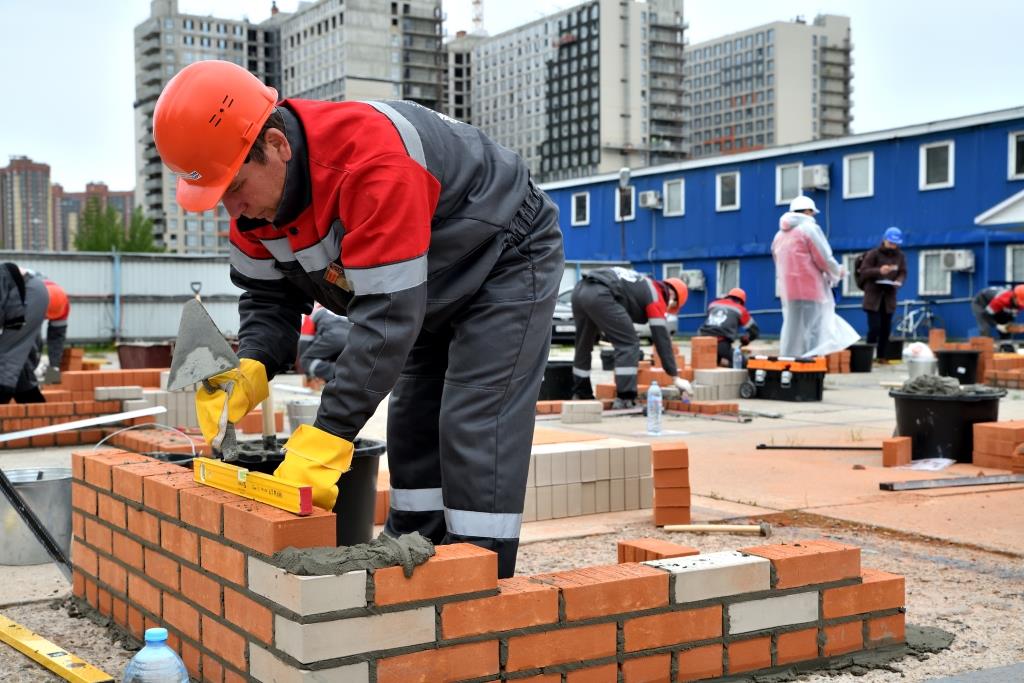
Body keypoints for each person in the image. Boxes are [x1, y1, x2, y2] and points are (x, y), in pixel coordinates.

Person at [153, 60, 564, 578]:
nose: (233, 210)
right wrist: (253, 363)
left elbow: (388, 317)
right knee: (413, 416)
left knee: (474, 418)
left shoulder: (371, 162)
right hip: (425, 280)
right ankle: (410, 557)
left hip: (504, 254)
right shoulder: (252, 210)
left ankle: (477, 573)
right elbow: (267, 300)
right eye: (219, 197)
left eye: (235, 187)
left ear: (278, 145)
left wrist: (329, 435)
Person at [569, 267, 691, 408]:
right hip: (601, 293)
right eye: (672, 306)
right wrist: (675, 376)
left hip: (580, 290)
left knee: (583, 344)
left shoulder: (643, 284)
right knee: (629, 343)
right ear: (672, 296)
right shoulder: (656, 295)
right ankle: (625, 398)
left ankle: (581, 393)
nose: (667, 309)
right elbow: (661, 337)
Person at [772, 195, 859, 358]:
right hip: (811, 289)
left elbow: (778, 262)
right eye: (812, 213)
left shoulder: (779, 236)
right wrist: (836, 272)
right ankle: (810, 365)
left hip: (790, 292)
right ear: (807, 211)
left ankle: (788, 361)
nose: (813, 217)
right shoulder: (808, 229)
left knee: (792, 329)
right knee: (814, 330)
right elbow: (823, 257)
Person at [0, 264, 49, 404]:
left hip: (27, 294)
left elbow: (54, 338)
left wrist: (55, 367)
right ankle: (33, 405)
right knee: (18, 354)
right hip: (22, 295)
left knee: (7, 353)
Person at [857, 227, 907, 362]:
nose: (893, 246)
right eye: (891, 242)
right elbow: (864, 271)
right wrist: (879, 270)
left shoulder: (900, 256)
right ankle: (867, 355)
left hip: (889, 296)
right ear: (884, 240)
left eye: (895, 243)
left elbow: (903, 271)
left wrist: (899, 280)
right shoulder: (873, 254)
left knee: (886, 329)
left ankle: (881, 356)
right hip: (873, 296)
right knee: (875, 328)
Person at [696, 287, 760, 367]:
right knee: (743, 363)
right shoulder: (740, 309)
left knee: (712, 363)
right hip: (721, 343)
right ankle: (726, 364)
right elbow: (754, 331)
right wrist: (747, 338)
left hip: (700, 340)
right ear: (741, 301)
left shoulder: (713, 304)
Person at [299, 305, 353, 382]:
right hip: (353, 337)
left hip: (334, 336)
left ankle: (346, 373)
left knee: (306, 360)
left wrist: (308, 373)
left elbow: (304, 342)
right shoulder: (345, 310)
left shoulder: (312, 313)